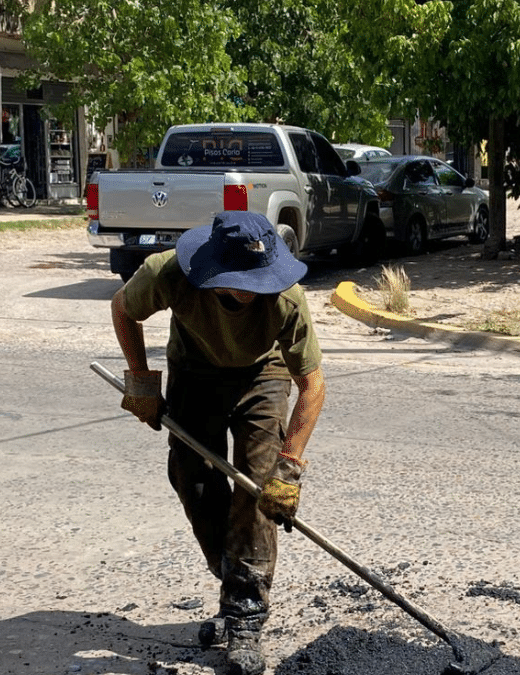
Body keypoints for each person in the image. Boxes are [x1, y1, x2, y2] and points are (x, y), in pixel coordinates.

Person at [110, 211, 326, 675]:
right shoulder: (169, 272)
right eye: (240, 279)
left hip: (262, 374)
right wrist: (141, 383)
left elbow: (312, 385)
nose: (251, 290)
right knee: (194, 479)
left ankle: (245, 616)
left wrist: (289, 468)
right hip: (195, 369)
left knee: (257, 490)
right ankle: (233, 574)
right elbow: (123, 309)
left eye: (259, 278)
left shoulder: (286, 299)